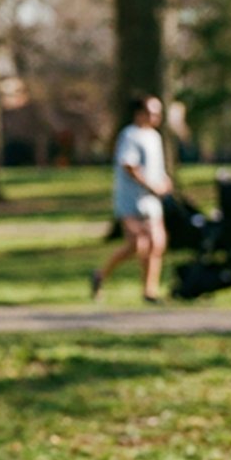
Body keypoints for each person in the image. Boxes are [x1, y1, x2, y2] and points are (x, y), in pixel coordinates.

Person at [91, 94, 172, 304]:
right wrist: (150, 185)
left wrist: (164, 182)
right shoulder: (130, 135)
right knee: (137, 245)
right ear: (140, 113)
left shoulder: (155, 136)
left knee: (157, 243)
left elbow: (157, 168)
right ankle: (100, 274)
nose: (157, 117)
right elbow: (129, 166)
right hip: (131, 200)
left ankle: (149, 292)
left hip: (152, 201)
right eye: (152, 112)